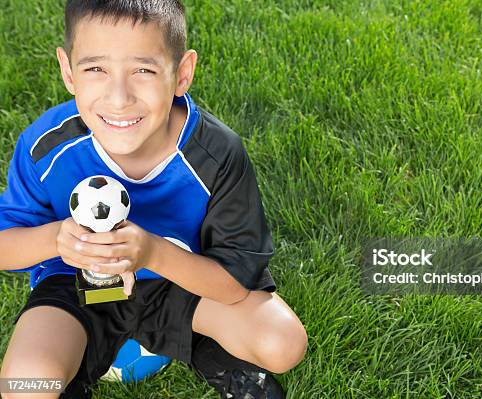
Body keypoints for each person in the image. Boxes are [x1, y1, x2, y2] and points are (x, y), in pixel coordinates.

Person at [0, 1, 308, 398]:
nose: (119, 97)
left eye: (143, 70)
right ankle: (72, 371)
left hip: (177, 280)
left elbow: (234, 283)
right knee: (24, 385)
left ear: (181, 74)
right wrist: (58, 238)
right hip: (76, 285)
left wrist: (150, 253)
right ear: (67, 71)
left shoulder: (215, 154)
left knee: (282, 342)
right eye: (96, 69)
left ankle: (209, 353)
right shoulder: (46, 147)